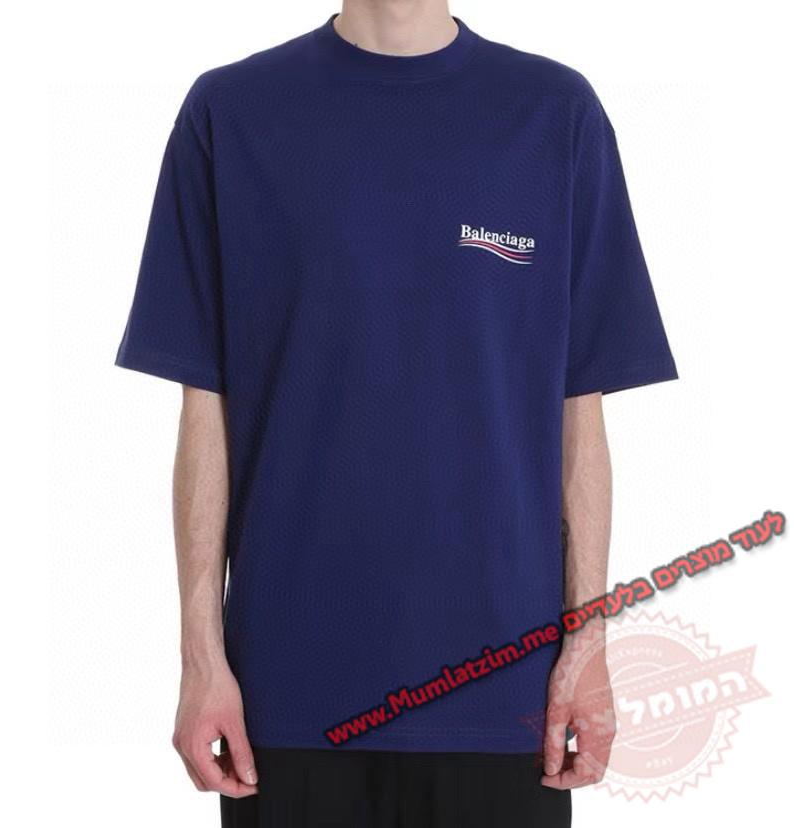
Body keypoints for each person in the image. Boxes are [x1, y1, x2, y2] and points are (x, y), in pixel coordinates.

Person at [115, 1, 678, 825]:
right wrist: (200, 657)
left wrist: (589, 648)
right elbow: (206, 404)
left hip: (505, 693)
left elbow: (578, 408)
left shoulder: (555, 114)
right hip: (286, 695)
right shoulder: (231, 113)